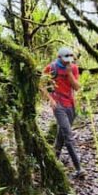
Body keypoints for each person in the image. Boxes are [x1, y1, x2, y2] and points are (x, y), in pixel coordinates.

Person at [41, 46, 83, 178]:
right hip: (58, 104)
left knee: (61, 135)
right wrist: (50, 99)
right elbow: (40, 84)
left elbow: (76, 87)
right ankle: (79, 169)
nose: (68, 61)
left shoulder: (74, 68)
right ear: (59, 57)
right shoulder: (51, 67)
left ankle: (53, 162)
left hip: (70, 105)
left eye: (70, 58)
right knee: (68, 136)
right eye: (65, 59)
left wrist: (69, 73)